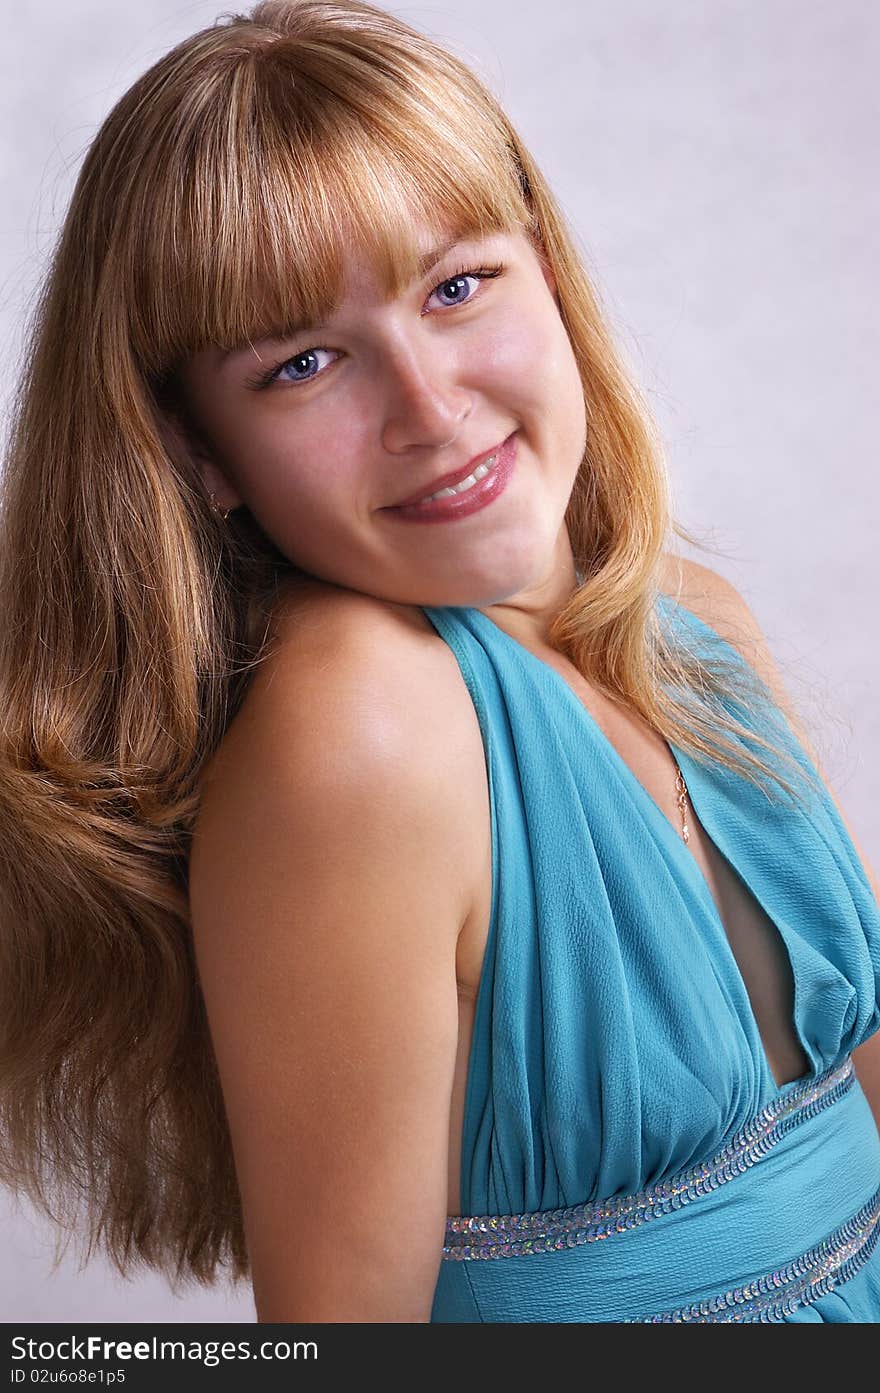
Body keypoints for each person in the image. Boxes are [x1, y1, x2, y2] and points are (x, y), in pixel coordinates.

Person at [0, 0, 877, 1325]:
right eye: (302, 362)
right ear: (199, 456)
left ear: (547, 265)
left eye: (458, 285)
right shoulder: (360, 718)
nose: (429, 407)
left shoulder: (695, 626)